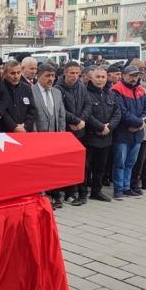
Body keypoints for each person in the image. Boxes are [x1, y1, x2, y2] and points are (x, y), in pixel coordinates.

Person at [30, 63, 67, 208]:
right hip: (38, 137)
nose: (51, 79)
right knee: (39, 168)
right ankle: (41, 194)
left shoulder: (57, 92)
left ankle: (54, 194)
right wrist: (34, 137)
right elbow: (31, 116)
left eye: (53, 76)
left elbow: (61, 114)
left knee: (53, 168)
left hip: (55, 137)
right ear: (38, 76)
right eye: (47, 76)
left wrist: (62, 135)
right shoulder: (31, 91)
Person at [111, 65, 146, 199]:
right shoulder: (116, 90)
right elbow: (121, 112)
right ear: (124, 75)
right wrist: (139, 123)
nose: (134, 78)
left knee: (130, 163)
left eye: (136, 76)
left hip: (137, 133)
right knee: (120, 163)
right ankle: (118, 189)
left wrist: (142, 122)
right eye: (131, 75)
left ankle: (126, 187)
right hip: (122, 133)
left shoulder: (141, 90)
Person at [56, 61, 92, 205]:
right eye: (72, 73)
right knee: (67, 165)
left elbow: (88, 104)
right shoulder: (58, 88)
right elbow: (60, 109)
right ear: (65, 72)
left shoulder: (81, 86)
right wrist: (75, 120)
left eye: (77, 73)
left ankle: (81, 192)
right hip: (67, 131)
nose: (75, 76)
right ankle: (68, 193)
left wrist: (81, 120)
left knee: (83, 164)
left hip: (80, 131)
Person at [84, 66, 120, 202]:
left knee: (101, 167)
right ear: (91, 78)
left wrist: (109, 127)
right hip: (91, 136)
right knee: (86, 167)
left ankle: (96, 191)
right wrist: (100, 127)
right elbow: (87, 114)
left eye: (103, 77)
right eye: (97, 77)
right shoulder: (86, 93)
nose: (100, 80)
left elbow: (117, 113)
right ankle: (82, 192)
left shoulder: (111, 94)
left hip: (106, 137)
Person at [1, 59, 37, 133]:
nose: (16, 76)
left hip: (24, 131)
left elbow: (32, 110)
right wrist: (13, 126)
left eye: (18, 73)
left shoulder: (26, 87)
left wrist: (25, 126)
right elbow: (1, 110)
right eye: (12, 73)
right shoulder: (0, 88)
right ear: (5, 74)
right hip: (6, 131)